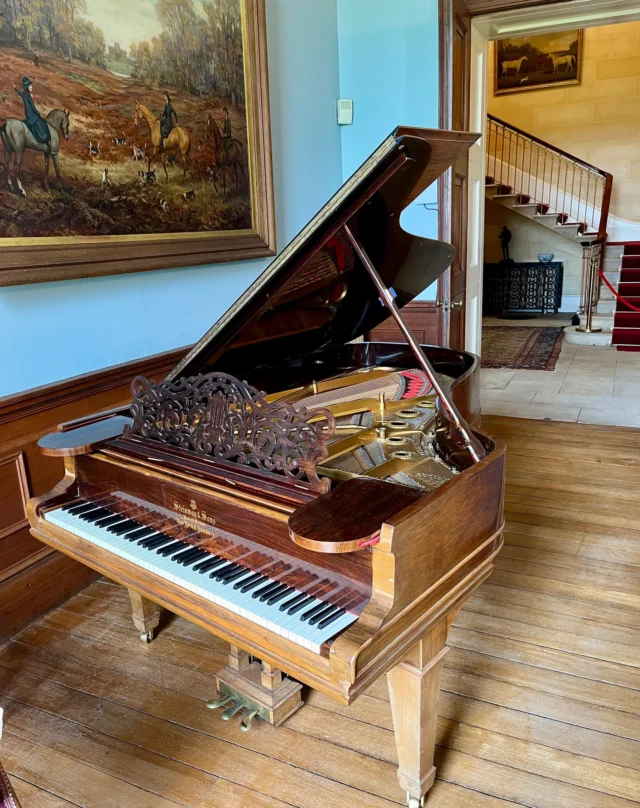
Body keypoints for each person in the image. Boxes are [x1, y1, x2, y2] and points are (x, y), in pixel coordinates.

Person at [14, 76, 50, 152]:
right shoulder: (28, 96)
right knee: (42, 123)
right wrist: (38, 113)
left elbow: (19, 93)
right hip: (32, 115)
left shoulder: (24, 94)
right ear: (27, 87)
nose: (31, 87)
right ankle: (43, 140)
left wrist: (16, 89)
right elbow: (33, 107)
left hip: (28, 115)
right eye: (30, 86)